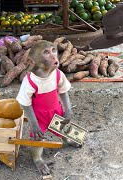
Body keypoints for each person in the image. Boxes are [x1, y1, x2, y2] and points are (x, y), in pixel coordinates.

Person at [16, 40, 79, 176]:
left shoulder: (57, 74)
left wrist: (68, 109)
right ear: (33, 62)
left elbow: (63, 92)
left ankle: (67, 139)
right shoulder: (30, 81)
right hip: (37, 115)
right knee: (38, 137)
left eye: (53, 50)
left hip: (55, 109)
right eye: (46, 53)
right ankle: (37, 159)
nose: (53, 56)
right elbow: (25, 104)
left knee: (62, 126)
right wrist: (33, 124)